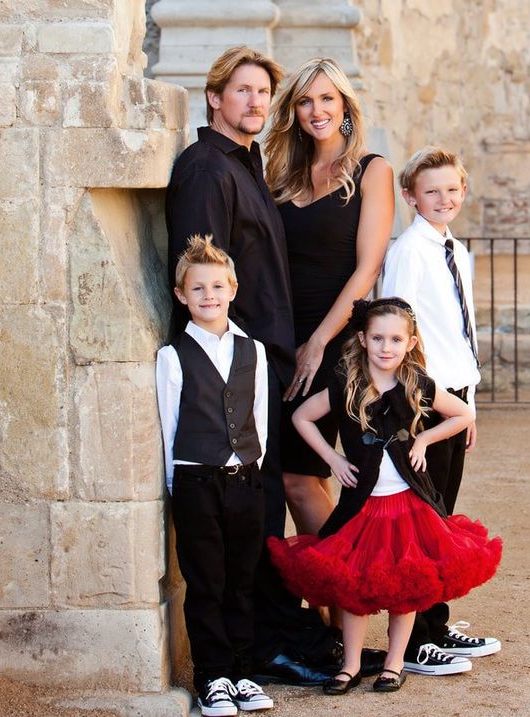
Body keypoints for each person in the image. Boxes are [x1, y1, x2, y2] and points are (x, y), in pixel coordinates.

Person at [164, 46, 342, 686]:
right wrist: (229, 372)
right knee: (255, 512)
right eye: (241, 91)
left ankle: (278, 631)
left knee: (264, 507)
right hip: (237, 371)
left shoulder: (247, 164)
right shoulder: (206, 170)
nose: (255, 102)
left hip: (267, 362)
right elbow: (197, 274)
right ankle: (267, 645)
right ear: (214, 98)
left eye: (264, 93)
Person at [267, 298, 502, 695]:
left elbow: (463, 414)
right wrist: (332, 458)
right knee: (356, 588)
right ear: (362, 339)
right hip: (363, 508)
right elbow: (301, 417)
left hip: (409, 506)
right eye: (377, 338)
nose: (386, 347)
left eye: (395, 339)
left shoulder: (418, 384)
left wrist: (425, 438)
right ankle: (351, 665)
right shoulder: (345, 385)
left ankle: (394, 664)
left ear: (410, 343)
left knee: (406, 586)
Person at [381, 147, 502, 674]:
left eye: (452, 189)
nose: (444, 199)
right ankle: (412, 644)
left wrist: (469, 405)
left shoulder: (457, 250)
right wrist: (418, 408)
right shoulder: (409, 251)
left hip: (455, 398)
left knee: (441, 519)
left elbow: (459, 331)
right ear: (410, 196)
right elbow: (395, 329)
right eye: (431, 191)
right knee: (423, 522)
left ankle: (434, 622)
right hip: (424, 403)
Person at [264, 57, 394, 540]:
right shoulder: (283, 173)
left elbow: (369, 268)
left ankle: (344, 595)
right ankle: (327, 608)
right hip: (280, 335)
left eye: (326, 99)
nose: (315, 110)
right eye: (304, 101)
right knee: (299, 474)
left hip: (334, 338)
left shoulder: (371, 170)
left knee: (298, 476)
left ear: (343, 106)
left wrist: (319, 341)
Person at [156, 235, 274, 716]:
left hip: (244, 480)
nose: (209, 295)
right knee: (206, 583)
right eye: (198, 288)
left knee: (241, 580)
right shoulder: (173, 356)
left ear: (233, 288)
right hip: (196, 483)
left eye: (218, 286)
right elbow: (169, 428)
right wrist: (178, 484)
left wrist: (252, 464)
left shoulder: (254, 350)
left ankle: (243, 672)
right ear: (182, 295)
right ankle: (213, 677)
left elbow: (259, 417)